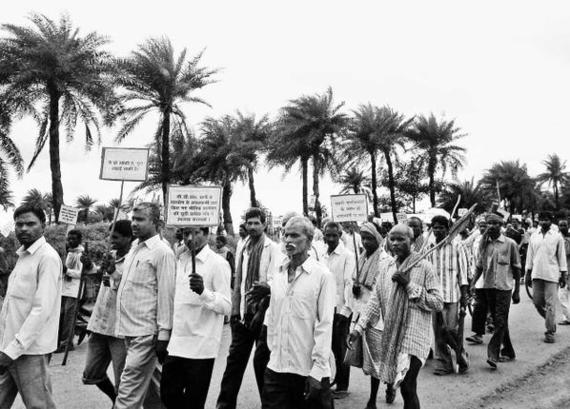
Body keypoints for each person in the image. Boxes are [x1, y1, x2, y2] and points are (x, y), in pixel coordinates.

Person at [348, 224, 443, 409]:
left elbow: (437, 303)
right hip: (392, 335)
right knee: (405, 388)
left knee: (407, 386)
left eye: (401, 239)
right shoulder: (386, 267)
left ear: (413, 241)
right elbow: (375, 302)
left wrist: (409, 285)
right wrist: (358, 329)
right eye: (392, 239)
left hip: (415, 336)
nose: (396, 243)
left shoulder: (424, 267)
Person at [261, 216, 335, 409]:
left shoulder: (322, 276)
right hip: (277, 367)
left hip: (307, 370)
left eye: (294, 235)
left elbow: (325, 325)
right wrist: (273, 350)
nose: (288, 240)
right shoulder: (278, 274)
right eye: (285, 235)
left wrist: (317, 371)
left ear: (309, 241)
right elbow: (273, 315)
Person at [217, 207, 282, 409]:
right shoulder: (243, 246)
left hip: (264, 316)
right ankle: (225, 405)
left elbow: (275, 283)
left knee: (262, 364)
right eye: (249, 223)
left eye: (256, 223)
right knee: (234, 363)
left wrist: (262, 308)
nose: (252, 226)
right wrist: (235, 312)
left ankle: (268, 405)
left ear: (264, 225)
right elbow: (238, 281)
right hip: (244, 315)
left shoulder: (274, 248)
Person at [114, 202, 176, 409]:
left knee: (127, 393)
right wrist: (112, 274)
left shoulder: (162, 252)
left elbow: (167, 295)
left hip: (146, 334)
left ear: (156, 223)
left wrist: (163, 335)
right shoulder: (135, 249)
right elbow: (127, 285)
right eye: (133, 218)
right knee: (150, 391)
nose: (134, 224)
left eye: (140, 219)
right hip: (128, 331)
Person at [0, 204, 62, 408]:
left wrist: (14, 349)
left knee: (39, 405)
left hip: (29, 351)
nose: (24, 228)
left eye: (30, 224)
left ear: (43, 226)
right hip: (8, 346)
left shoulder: (48, 257)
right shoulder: (23, 256)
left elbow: (41, 310)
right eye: (19, 224)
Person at [161, 227, 231, 409]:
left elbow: (226, 306)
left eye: (196, 233)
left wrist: (204, 292)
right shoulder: (180, 260)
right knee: (168, 394)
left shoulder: (217, 264)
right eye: (186, 234)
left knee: (194, 401)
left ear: (207, 234)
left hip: (201, 345)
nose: (190, 238)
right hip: (177, 342)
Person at [81, 220, 132, 404]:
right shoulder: (109, 255)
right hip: (100, 323)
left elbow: (130, 290)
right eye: (110, 237)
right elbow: (98, 277)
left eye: (116, 238)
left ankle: (121, 403)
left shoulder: (133, 260)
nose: (112, 241)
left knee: (123, 380)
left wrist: (114, 273)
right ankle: (115, 399)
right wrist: (89, 267)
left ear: (129, 238)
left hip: (119, 327)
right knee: (91, 373)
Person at [345, 222, 393, 407]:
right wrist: (355, 288)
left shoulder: (385, 260)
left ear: (378, 238)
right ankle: (381, 390)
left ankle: (376, 396)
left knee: (379, 357)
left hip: (379, 316)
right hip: (361, 313)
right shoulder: (362, 258)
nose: (365, 242)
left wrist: (367, 288)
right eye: (363, 238)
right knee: (372, 358)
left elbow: (384, 290)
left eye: (369, 238)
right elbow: (352, 281)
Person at [470, 213, 521, 368]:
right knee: (500, 320)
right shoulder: (484, 244)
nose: (492, 226)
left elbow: (517, 268)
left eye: (495, 223)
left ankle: (493, 353)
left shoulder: (510, 244)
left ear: (501, 226)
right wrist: (473, 283)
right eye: (489, 223)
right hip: (488, 287)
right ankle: (509, 351)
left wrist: (517, 290)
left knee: (499, 320)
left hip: (504, 288)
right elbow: (479, 266)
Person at [427, 215, 469, 375]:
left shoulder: (457, 246)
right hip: (434, 297)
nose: (438, 230)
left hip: (452, 297)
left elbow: (464, 274)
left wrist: (464, 298)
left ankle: (461, 355)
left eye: (441, 227)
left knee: (451, 330)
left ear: (448, 228)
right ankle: (445, 363)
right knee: (438, 332)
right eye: (435, 227)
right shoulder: (428, 247)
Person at [321, 221, 355, 399]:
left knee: (340, 348)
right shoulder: (322, 254)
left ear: (340, 235)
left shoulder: (347, 256)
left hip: (340, 309)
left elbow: (349, 284)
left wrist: (345, 310)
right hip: (324, 307)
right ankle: (336, 379)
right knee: (328, 346)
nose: (331, 238)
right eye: (328, 235)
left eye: (335, 235)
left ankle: (343, 385)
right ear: (324, 235)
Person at [525, 211, 568, 343]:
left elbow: (561, 256)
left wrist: (563, 274)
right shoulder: (534, 236)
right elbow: (529, 256)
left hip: (552, 274)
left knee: (550, 304)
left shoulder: (557, 237)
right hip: (537, 273)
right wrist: (527, 273)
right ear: (539, 221)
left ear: (551, 221)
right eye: (542, 219)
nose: (544, 222)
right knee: (537, 303)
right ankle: (551, 321)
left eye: (547, 220)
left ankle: (550, 332)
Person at [57, 229, 92, 353]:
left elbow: (82, 274)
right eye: (69, 238)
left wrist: (67, 271)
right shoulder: (70, 252)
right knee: (61, 316)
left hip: (74, 291)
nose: (71, 241)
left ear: (79, 240)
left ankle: (66, 344)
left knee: (69, 318)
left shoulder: (82, 254)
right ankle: (62, 339)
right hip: (63, 289)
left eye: (73, 239)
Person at [466, 217, 489, 345]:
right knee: (479, 306)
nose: (483, 228)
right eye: (480, 225)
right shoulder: (475, 238)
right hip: (478, 276)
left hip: (492, 279)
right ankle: (478, 334)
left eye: (485, 225)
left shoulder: (493, 239)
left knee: (494, 308)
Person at [558, 219, 570, 325]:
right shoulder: (558, 238)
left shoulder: (566, 239)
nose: (562, 227)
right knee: (563, 295)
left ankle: (568, 318)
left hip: (567, 270)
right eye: (560, 225)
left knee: (563, 295)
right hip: (562, 270)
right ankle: (566, 317)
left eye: (564, 225)